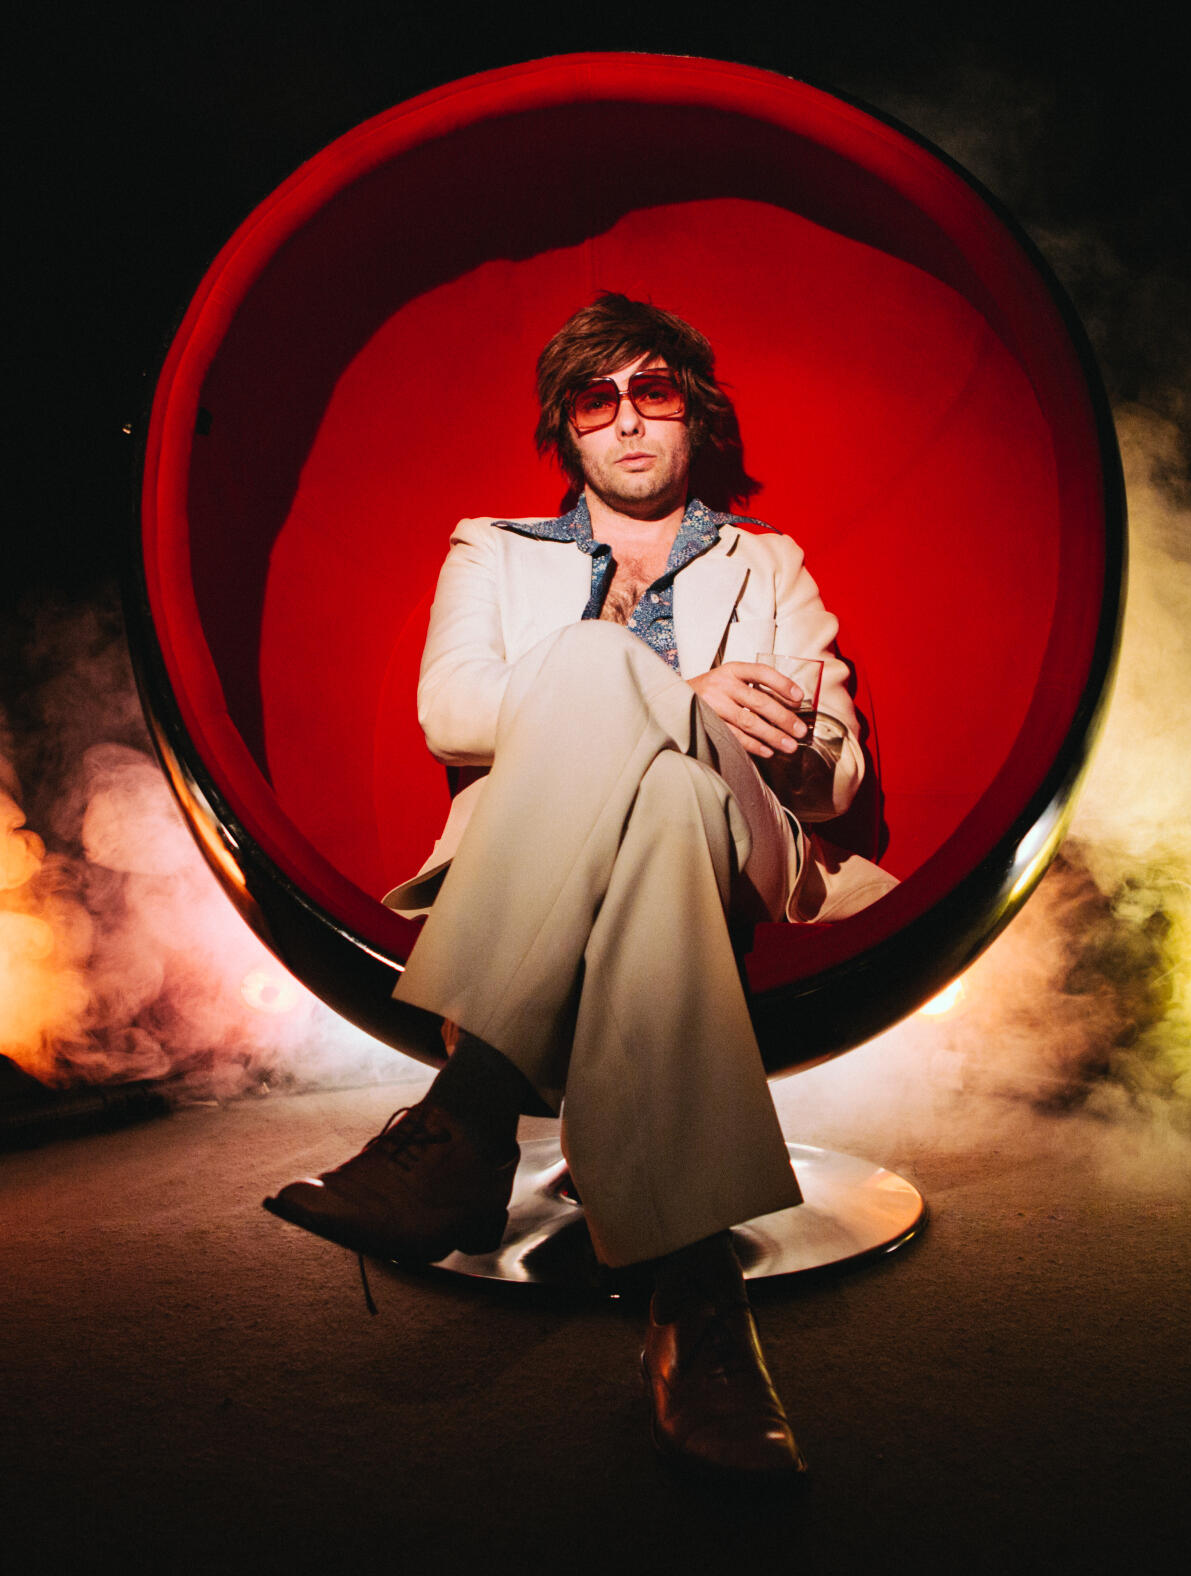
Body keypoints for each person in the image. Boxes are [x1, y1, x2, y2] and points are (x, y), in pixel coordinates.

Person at [264, 293, 893, 1483]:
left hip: (748, 838)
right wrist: (671, 692)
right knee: (661, 796)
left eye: (653, 390)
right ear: (567, 427)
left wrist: (789, 740)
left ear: (693, 413)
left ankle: (471, 1111)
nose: (628, 420)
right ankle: (696, 1302)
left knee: (664, 747)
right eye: (596, 400)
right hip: (625, 836)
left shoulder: (766, 560)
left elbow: (834, 771)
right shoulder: (492, 547)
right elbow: (451, 711)